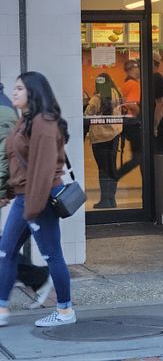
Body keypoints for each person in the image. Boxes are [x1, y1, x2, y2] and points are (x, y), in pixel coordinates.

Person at [0, 71, 77, 327]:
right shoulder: (27, 121)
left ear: (33, 92)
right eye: (15, 88)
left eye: (20, 88)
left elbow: (42, 171)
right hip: (25, 197)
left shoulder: (44, 123)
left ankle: (65, 311)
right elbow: (18, 164)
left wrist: (32, 209)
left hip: (39, 198)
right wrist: (9, 194)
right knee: (6, 252)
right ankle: (1, 309)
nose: (14, 92)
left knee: (52, 255)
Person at [0, 80, 52, 310]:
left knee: (7, 248)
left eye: (20, 88)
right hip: (19, 191)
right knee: (6, 247)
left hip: (27, 193)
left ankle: (40, 280)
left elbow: (4, 157)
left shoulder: (3, 111)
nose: (15, 92)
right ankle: (36, 277)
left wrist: (3, 190)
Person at [84, 73, 123, 208]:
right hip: (114, 135)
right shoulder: (117, 93)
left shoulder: (97, 98)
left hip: (100, 137)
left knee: (103, 169)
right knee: (111, 167)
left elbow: (87, 115)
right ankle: (111, 199)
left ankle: (104, 200)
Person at [119, 59, 142, 171]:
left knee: (139, 157)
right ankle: (116, 175)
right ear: (133, 68)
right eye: (138, 67)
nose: (139, 70)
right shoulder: (134, 84)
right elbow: (131, 104)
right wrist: (142, 115)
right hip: (134, 125)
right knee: (139, 157)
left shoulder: (125, 84)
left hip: (127, 125)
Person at [152, 52, 163, 153]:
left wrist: (154, 126)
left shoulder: (156, 78)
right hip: (160, 128)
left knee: (157, 158)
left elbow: (161, 104)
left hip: (159, 129)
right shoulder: (154, 78)